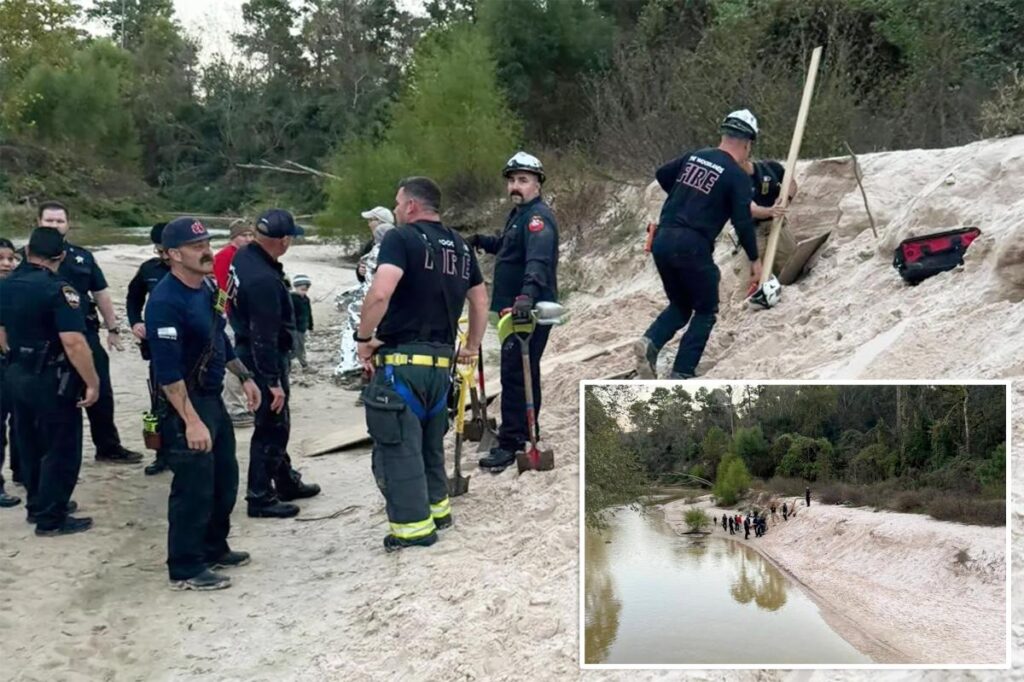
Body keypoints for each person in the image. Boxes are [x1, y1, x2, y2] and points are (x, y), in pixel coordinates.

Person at [357, 177, 487, 551]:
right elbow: (479, 301)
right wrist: (473, 345)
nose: (396, 210)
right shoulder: (461, 247)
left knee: (399, 450)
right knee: (431, 445)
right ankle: (438, 511)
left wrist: (364, 340)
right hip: (440, 367)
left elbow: (381, 293)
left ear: (411, 206)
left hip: (402, 364)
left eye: (398, 203)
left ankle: (413, 531)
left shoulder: (401, 239)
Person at [145, 218, 261, 591]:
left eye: (207, 242)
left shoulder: (207, 286)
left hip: (211, 399)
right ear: (173, 255)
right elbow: (167, 373)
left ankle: (214, 547)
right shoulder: (165, 301)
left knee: (224, 478)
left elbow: (219, 340)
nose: (205, 250)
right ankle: (186, 566)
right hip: (184, 404)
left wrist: (244, 377)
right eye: (196, 246)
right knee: (193, 486)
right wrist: (191, 422)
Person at [633, 110, 764, 379]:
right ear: (748, 143)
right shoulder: (736, 176)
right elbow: (742, 220)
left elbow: (662, 174)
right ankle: (682, 371)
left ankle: (650, 343)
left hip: (662, 239)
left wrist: (689, 196)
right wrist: (755, 260)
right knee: (705, 309)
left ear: (724, 134)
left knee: (680, 305)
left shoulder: (695, 156)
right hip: (692, 245)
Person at [0, 227, 100, 535]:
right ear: (61, 256)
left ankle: (36, 504)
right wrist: (92, 382)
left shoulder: (7, 284)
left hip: (16, 371)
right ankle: (51, 516)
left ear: (27, 252)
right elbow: (74, 343)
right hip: (51, 375)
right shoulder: (59, 289)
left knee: (28, 441)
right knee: (61, 446)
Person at [469, 152, 559, 472]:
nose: (515, 186)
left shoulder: (538, 218)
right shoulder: (519, 215)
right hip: (514, 309)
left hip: (525, 311)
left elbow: (538, 260)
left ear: (538, 183)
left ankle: (510, 443)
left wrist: (526, 297)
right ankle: (524, 430)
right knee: (523, 371)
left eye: (523, 180)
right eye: (511, 180)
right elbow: (511, 249)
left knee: (514, 373)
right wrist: (483, 241)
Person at [230, 209, 321, 518]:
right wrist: (272, 382)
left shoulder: (245, 257)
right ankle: (260, 496)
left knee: (275, 423)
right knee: (272, 426)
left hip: (249, 346)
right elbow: (263, 335)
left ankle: (284, 479)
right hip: (261, 355)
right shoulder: (263, 280)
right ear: (282, 241)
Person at [38, 200, 143, 464]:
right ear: (38, 223)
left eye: (59, 221)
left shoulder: (82, 256)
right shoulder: (24, 257)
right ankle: (43, 455)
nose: (54, 225)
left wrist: (113, 328)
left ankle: (108, 446)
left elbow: (101, 293)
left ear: (68, 224)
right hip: (44, 339)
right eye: (49, 221)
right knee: (48, 398)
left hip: (85, 333)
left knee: (101, 391)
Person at [126, 223, 172, 475]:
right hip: (157, 346)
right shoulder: (148, 270)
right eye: (160, 251)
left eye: (169, 250)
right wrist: (135, 322)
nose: (165, 256)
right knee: (158, 403)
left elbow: (219, 299)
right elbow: (133, 298)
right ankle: (160, 454)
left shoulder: (197, 268)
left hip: (193, 347)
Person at [336, 208, 396, 378]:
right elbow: (364, 275)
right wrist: (360, 271)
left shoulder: (393, 241)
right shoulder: (371, 245)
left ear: (381, 222)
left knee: (365, 330)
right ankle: (360, 369)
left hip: (382, 298)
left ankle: (364, 368)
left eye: (372, 220)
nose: (369, 224)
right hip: (369, 293)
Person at [213, 219, 256, 427]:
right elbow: (222, 287)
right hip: (231, 313)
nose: (248, 239)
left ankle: (245, 401)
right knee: (235, 359)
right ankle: (233, 406)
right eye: (244, 235)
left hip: (248, 314)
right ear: (233, 237)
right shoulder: (224, 257)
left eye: (250, 235)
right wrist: (223, 312)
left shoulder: (250, 255)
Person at [0, 237, 22, 507]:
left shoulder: (17, 290)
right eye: (1, 259)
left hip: (15, 366)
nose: (6, 264)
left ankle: (23, 472)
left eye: (10, 259)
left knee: (21, 422)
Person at [289, 274, 313, 370]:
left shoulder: (306, 299)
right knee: (297, 348)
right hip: (294, 328)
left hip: (302, 328)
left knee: (301, 346)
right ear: (295, 287)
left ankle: (298, 363)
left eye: (306, 290)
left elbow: (309, 313)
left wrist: (310, 326)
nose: (304, 292)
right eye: (302, 289)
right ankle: (304, 365)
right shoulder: (291, 299)